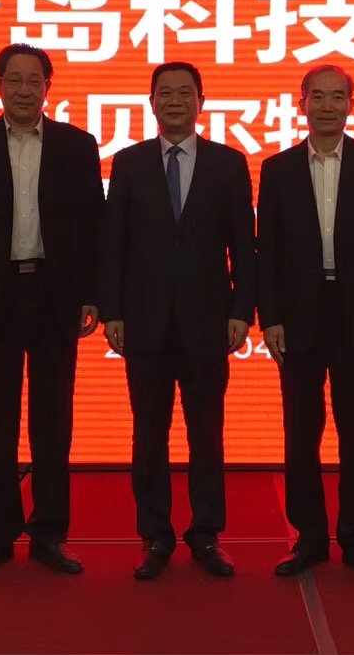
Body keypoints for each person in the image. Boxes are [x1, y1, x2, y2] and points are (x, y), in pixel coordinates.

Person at [0, 43, 104, 579]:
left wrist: (92, 294)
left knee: (53, 422)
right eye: (13, 80)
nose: (23, 90)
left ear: (47, 87)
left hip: (55, 293)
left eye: (34, 81)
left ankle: (49, 533)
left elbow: (92, 227)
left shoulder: (77, 145)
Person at [100, 62, 256, 580]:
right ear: (151, 103)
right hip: (143, 322)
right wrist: (113, 310)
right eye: (164, 93)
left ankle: (206, 534)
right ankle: (155, 535)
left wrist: (242, 310)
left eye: (184, 93)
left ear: (201, 102)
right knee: (149, 433)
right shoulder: (128, 163)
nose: (174, 101)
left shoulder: (228, 164)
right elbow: (113, 244)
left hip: (207, 321)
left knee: (206, 433)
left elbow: (244, 246)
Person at [257, 65, 354, 583]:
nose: (326, 106)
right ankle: (310, 538)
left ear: (351, 105)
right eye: (316, 97)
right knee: (301, 431)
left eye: (336, 97)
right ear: (301, 104)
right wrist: (270, 317)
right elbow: (266, 250)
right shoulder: (277, 169)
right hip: (298, 315)